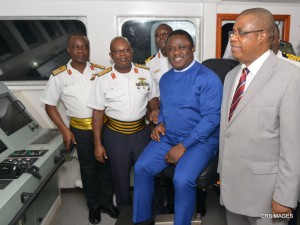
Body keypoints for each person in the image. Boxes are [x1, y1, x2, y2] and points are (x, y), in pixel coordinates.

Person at [218, 8, 300, 225]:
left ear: (263, 36)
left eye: (241, 33)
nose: (233, 38)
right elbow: (228, 131)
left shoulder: (291, 78)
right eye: (232, 32)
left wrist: (285, 198)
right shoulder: (231, 76)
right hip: (232, 188)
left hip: (267, 196)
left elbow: (293, 148)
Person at [133, 29, 223, 225]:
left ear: (192, 49)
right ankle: (142, 220)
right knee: (141, 168)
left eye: (182, 47)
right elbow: (165, 107)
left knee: (181, 180)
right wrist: (162, 123)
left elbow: (212, 118)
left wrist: (183, 146)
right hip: (170, 136)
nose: (176, 53)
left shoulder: (207, 78)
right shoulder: (166, 79)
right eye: (171, 49)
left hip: (200, 140)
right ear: (166, 52)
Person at [40, 33, 119, 224]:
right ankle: (93, 206)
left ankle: (107, 202)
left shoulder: (101, 71)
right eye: (76, 47)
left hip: (105, 126)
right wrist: (64, 130)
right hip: (80, 130)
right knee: (88, 169)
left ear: (88, 49)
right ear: (69, 50)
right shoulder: (59, 76)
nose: (81, 50)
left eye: (84, 46)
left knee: (106, 167)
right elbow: (50, 105)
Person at [87, 37, 159, 210]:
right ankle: (125, 214)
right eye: (117, 51)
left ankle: (155, 211)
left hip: (141, 133)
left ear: (131, 51)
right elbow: (97, 112)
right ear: (111, 55)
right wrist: (98, 144)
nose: (122, 54)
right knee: (120, 179)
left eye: (126, 50)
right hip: (115, 135)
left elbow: (153, 97)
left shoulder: (144, 73)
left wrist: (155, 109)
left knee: (148, 172)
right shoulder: (102, 78)